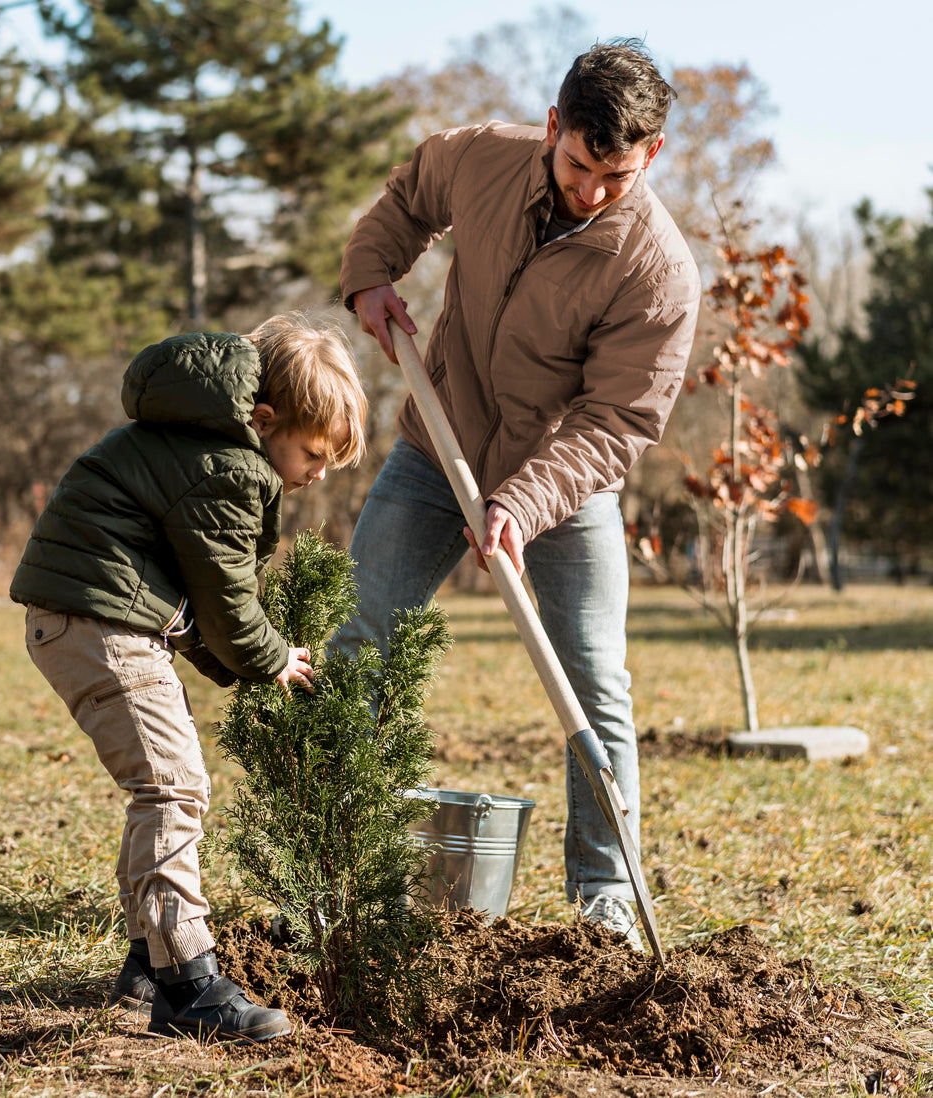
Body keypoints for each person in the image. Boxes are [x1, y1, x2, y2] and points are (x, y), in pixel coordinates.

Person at [336, 39, 701, 947]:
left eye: (616, 175)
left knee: (593, 678)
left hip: (565, 485)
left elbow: (617, 421)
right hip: (440, 444)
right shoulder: (483, 159)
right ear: (552, 129)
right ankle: (330, 858)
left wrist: (523, 502)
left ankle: (605, 894)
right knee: (359, 637)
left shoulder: (658, 272)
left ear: (649, 155)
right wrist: (370, 276)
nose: (593, 191)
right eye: (579, 165)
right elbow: (407, 199)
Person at [10, 314, 367, 1039]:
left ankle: (146, 967)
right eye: (312, 452)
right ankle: (191, 981)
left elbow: (194, 597)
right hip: (101, 625)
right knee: (172, 786)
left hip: (93, 617)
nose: (319, 473)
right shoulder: (230, 470)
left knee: (168, 784)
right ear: (264, 421)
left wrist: (236, 663)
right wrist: (273, 659)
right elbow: (229, 603)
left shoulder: (198, 449)